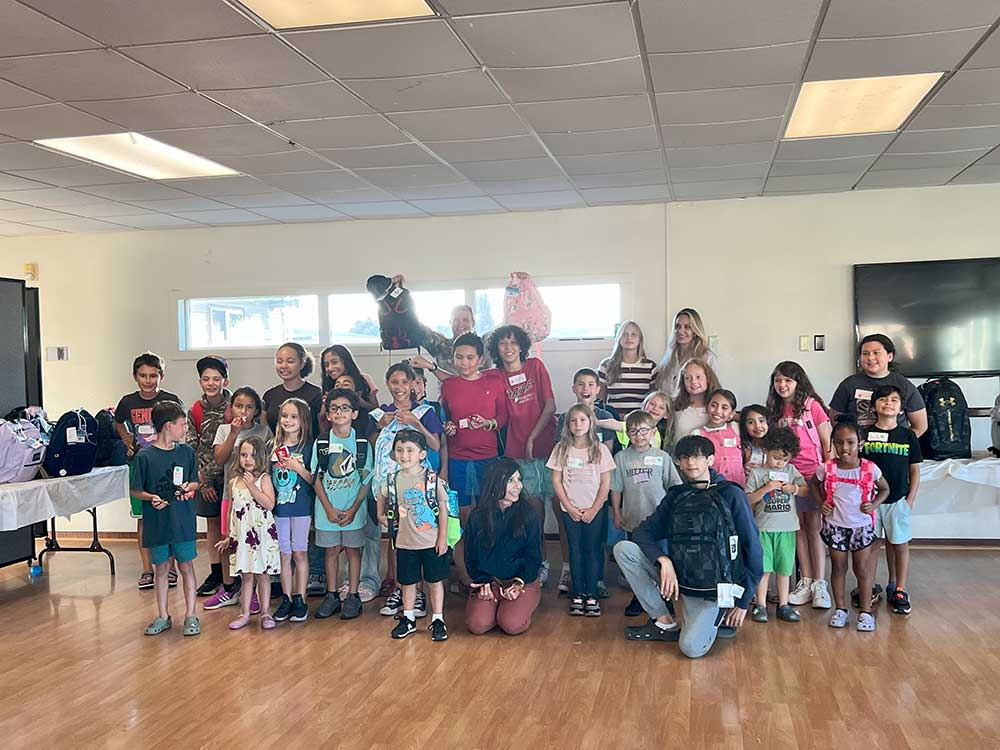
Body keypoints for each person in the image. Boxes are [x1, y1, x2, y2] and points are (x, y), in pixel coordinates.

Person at [614, 435, 762, 659]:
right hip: (681, 579)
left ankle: (717, 616)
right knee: (624, 549)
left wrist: (742, 602)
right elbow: (642, 532)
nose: (690, 462)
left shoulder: (731, 494)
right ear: (679, 463)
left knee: (691, 649)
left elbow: (753, 548)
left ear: (710, 460)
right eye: (684, 458)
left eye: (697, 457)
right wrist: (663, 561)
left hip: (716, 588)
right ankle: (664, 622)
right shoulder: (676, 496)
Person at [371, 361, 444, 610]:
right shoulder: (382, 412)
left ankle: (419, 593)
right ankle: (399, 588)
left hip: (417, 488)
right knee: (395, 537)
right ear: (387, 384)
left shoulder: (425, 412)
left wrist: (415, 423)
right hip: (389, 486)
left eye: (404, 382)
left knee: (420, 535)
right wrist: (379, 426)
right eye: (394, 382)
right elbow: (373, 444)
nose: (399, 387)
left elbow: (435, 444)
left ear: (413, 384)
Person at [441, 333, 508, 590]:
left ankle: (491, 572)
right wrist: (449, 428)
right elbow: (447, 421)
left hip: (487, 457)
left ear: (481, 359)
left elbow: (502, 417)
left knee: (489, 514)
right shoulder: (449, 386)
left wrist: (489, 423)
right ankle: (466, 576)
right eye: (459, 357)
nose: (464, 362)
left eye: (470, 357)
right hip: (458, 459)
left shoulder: (494, 381)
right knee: (463, 517)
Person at [811, 417, 890, 632]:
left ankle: (865, 612)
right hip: (835, 526)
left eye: (850, 442)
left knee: (862, 570)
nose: (844, 448)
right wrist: (821, 504)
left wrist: (873, 505)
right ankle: (840, 609)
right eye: (838, 442)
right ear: (832, 444)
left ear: (860, 443)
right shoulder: (826, 468)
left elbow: (885, 489)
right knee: (838, 568)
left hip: (861, 527)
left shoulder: (869, 469)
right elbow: (813, 484)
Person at [766, 361, 833, 609]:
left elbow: (827, 443)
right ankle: (804, 581)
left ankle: (819, 584)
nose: (782, 385)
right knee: (797, 529)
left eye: (788, 380)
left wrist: (828, 477)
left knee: (813, 528)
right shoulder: (774, 409)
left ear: (798, 382)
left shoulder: (812, 406)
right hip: (786, 477)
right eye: (778, 380)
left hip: (812, 476)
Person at [114, 351, 183, 590]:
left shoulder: (170, 400)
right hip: (140, 465)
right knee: (144, 516)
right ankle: (147, 570)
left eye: (153, 375)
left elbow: (178, 427)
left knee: (168, 513)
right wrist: (127, 440)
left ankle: (171, 569)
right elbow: (118, 421)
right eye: (143, 375)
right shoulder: (127, 402)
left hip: (166, 464)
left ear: (161, 376)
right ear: (135, 377)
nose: (148, 380)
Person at [130, 401, 200, 636]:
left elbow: (195, 481)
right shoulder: (145, 457)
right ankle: (162, 615)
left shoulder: (187, 452)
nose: (185, 428)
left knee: (186, 566)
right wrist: (152, 498)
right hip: (157, 524)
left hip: (182, 521)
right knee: (161, 568)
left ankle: (191, 615)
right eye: (182, 424)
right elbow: (136, 490)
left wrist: (189, 487)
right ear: (169, 426)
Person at [203, 387, 272, 613]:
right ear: (231, 407)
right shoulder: (224, 430)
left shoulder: (264, 431)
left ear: (257, 410)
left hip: (257, 499)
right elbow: (220, 459)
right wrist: (234, 433)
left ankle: (249, 592)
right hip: (231, 496)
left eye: (249, 407)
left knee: (253, 543)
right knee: (230, 541)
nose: (243, 411)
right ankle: (229, 588)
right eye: (239, 406)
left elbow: (267, 463)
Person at [376, 430, 450, 642]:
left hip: (431, 542)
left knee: (434, 582)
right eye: (399, 450)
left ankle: (438, 619)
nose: (404, 455)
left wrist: (442, 538)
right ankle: (408, 618)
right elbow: (381, 504)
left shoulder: (431, 480)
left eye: (410, 450)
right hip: (404, 542)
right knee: (407, 582)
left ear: (422, 454)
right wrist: (384, 519)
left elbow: (443, 509)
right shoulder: (391, 480)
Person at [610, 410, 682, 616]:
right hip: (633, 521)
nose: (639, 435)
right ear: (627, 434)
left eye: (643, 430)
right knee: (637, 563)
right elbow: (616, 488)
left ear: (652, 432)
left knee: (660, 561)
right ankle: (639, 598)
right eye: (633, 431)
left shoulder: (662, 457)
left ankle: (665, 598)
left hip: (660, 524)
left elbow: (674, 488)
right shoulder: (622, 457)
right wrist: (616, 512)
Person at [547, 404, 616, 617]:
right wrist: (569, 507)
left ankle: (591, 593)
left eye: (582, 420)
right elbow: (556, 481)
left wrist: (594, 509)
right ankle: (577, 593)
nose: (578, 425)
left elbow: (606, 483)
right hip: (571, 511)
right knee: (575, 550)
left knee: (593, 550)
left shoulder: (600, 449)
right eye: (573, 421)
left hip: (594, 510)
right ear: (567, 425)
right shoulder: (561, 449)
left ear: (591, 423)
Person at [552, 368, 617, 594]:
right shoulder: (564, 419)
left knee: (595, 542)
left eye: (591, 384)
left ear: (598, 389)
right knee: (575, 542)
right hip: (571, 496)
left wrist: (597, 501)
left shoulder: (606, 417)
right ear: (574, 388)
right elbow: (559, 462)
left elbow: (606, 457)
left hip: (595, 494)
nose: (585, 388)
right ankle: (575, 581)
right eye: (580, 384)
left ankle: (595, 581)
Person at [488, 324, 556, 536]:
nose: (508, 347)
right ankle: (540, 562)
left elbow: (550, 406)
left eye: (513, 342)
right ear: (496, 348)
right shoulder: (494, 376)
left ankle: (565, 564)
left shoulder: (535, 366)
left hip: (548, 447)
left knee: (559, 506)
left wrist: (532, 438)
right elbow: (465, 377)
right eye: (503, 342)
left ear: (521, 346)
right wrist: (433, 368)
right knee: (533, 511)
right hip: (518, 453)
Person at [860, 386, 922, 615]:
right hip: (870, 502)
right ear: (874, 405)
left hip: (898, 500)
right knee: (871, 545)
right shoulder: (863, 435)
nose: (888, 403)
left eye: (894, 400)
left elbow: (915, 470)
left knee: (899, 545)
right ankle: (869, 586)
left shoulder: (908, 436)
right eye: (883, 399)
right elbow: (858, 468)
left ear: (901, 407)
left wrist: (910, 499)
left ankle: (899, 587)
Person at [312, 389, 374, 621]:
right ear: (328, 414)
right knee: (330, 552)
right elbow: (315, 477)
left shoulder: (361, 443)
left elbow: (366, 480)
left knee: (353, 551)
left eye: (345, 408)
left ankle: (353, 595)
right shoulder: (322, 441)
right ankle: (331, 594)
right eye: (334, 408)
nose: (339, 412)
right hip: (326, 510)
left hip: (353, 511)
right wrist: (328, 508)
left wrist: (354, 508)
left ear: (355, 413)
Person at [465, 458, 544, 635]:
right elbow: (471, 557)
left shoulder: (529, 515)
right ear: (494, 484)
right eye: (510, 480)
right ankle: (496, 604)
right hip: (491, 579)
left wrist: (519, 582)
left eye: (519, 479)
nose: (518, 486)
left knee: (511, 624)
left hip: (521, 580)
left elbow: (534, 557)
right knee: (477, 625)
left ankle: (520, 602)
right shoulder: (477, 517)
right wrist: (483, 582)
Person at [745, 428, 809, 624]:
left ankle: (783, 605)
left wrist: (795, 489)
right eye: (775, 457)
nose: (780, 463)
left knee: (784, 569)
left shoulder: (790, 471)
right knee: (764, 569)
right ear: (766, 450)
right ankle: (761, 605)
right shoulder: (757, 473)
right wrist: (766, 489)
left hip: (787, 529)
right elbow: (747, 499)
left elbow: (806, 491)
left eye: (784, 459)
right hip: (764, 528)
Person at [218, 436, 280, 631]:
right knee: (246, 575)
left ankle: (265, 612)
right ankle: (244, 613)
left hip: (261, 535)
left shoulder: (264, 479)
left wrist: (253, 485)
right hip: (242, 536)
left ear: (260, 457)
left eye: (252, 455)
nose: (247, 459)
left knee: (262, 574)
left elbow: (269, 504)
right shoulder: (234, 481)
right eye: (244, 455)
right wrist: (229, 535)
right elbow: (231, 511)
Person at [185, 355, 231, 597]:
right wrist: (203, 481)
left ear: (225, 380)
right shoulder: (195, 410)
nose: (211, 383)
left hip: (233, 475)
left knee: (234, 525)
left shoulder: (236, 406)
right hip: (206, 479)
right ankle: (216, 572)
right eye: (206, 379)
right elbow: (192, 446)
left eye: (216, 378)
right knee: (213, 524)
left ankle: (235, 575)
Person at [270, 398, 315, 624]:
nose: (288, 420)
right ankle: (286, 598)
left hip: (301, 509)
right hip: (279, 510)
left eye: (294, 416)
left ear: (303, 420)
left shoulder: (308, 447)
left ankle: (300, 599)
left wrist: (298, 467)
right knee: (284, 554)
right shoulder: (273, 447)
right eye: (285, 416)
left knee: (299, 553)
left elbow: (313, 479)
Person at [830, 333, 927, 435]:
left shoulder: (904, 385)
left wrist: (902, 442)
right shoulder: (849, 384)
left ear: (889, 356)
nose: (870, 358)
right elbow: (835, 420)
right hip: (860, 448)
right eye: (865, 353)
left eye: (876, 353)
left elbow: (920, 426)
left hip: (894, 449)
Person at [597, 320, 658, 416]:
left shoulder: (650, 367)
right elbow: (600, 401)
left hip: (641, 422)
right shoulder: (606, 365)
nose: (629, 338)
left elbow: (654, 401)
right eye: (624, 334)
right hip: (613, 419)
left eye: (634, 334)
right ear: (618, 338)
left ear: (640, 340)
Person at [262, 342, 323, 435]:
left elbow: (321, 428)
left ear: (302, 363)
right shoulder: (270, 395)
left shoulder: (317, 394)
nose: (284, 366)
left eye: (290, 361)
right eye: (279, 361)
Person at [655, 308, 718, 397]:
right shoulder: (669, 357)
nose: (681, 331)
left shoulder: (707, 357)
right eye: (678, 326)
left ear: (695, 331)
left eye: (687, 327)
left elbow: (713, 391)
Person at [692, 389, 744, 486]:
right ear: (707, 407)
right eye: (713, 405)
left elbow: (750, 417)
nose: (717, 411)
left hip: (738, 485)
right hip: (712, 486)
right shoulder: (697, 433)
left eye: (724, 408)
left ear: (732, 413)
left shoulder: (735, 428)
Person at [671, 359, 721, 440]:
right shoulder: (676, 405)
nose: (693, 381)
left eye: (698, 377)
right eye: (688, 378)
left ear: (708, 378)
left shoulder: (718, 408)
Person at [320, 344, 379, 412]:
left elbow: (376, 410)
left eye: (334, 362)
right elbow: (323, 417)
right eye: (326, 365)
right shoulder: (327, 384)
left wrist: (361, 403)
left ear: (345, 361)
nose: (330, 368)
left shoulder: (364, 380)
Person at [739, 404, 772, 472]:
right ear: (744, 426)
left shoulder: (774, 448)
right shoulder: (746, 449)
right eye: (750, 422)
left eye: (761, 421)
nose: (757, 426)